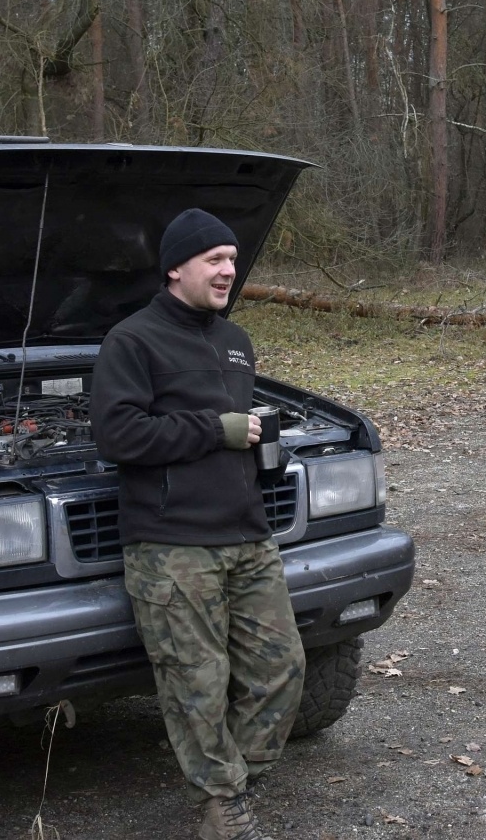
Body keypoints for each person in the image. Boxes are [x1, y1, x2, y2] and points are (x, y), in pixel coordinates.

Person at [93, 207, 305, 840]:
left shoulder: (235, 341)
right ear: (175, 268)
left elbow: (238, 432)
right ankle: (224, 806)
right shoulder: (132, 340)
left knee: (282, 668)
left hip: (246, 533)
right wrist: (218, 430)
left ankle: (236, 777)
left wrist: (263, 447)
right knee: (197, 684)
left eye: (233, 261)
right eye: (214, 260)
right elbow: (117, 434)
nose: (227, 271)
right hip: (171, 544)